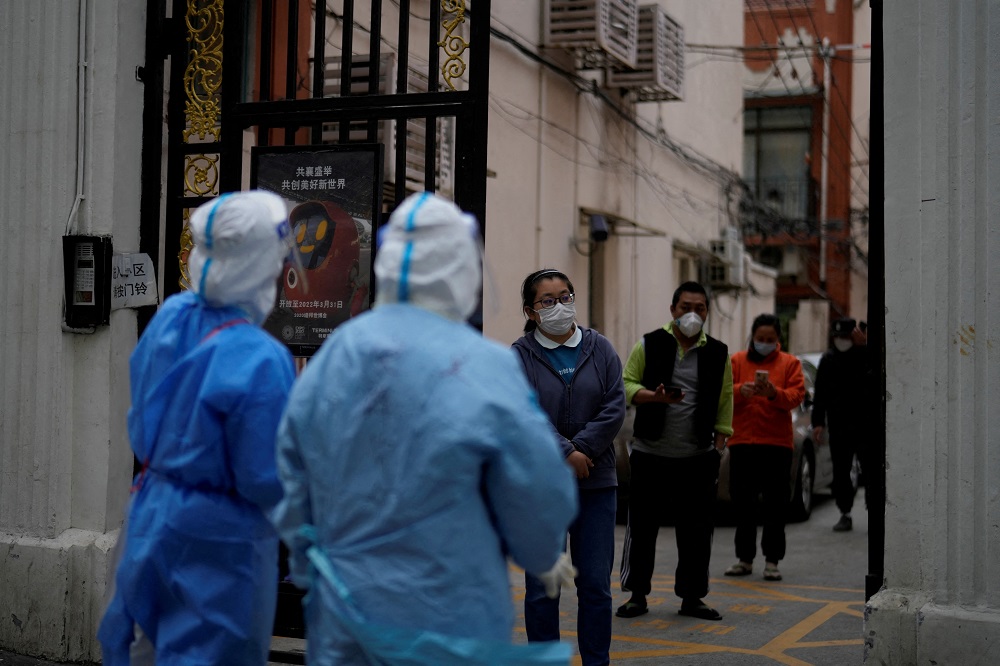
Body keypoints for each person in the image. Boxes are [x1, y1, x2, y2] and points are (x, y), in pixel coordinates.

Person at [270, 192, 579, 665]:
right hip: (451, 612)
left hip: (346, 610)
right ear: (463, 269)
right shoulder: (485, 364)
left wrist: (308, 565)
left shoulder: (339, 353)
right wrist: (539, 553)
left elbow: (291, 470)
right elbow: (538, 487)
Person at [97, 191, 300, 666]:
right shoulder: (263, 359)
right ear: (259, 266)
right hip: (220, 543)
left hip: (151, 514)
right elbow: (266, 479)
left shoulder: (170, 317)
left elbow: (143, 411)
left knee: (144, 650)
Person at [512, 269, 626, 666]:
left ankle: (597, 661)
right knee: (544, 586)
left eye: (565, 296)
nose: (559, 307)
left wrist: (584, 450)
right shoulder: (519, 355)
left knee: (596, 585)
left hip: (596, 483)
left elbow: (615, 407)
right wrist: (565, 452)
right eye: (547, 301)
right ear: (530, 310)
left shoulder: (601, 349)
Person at [616, 281, 734, 622]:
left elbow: (726, 398)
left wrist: (720, 442)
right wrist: (654, 396)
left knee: (696, 532)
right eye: (686, 307)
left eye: (700, 308)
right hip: (650, 453)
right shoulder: (650, 344)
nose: (692, 314)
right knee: (642, 527)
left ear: (707, 313)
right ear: (673, 310)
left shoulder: (718, 352)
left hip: (697, 457)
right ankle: (636, 595)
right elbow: (625, 384)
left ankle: (692, 598)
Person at [723, 314, 805, 582]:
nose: (765, 343)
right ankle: (744, 559)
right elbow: (722, 393)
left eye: (770, 339)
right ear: (752, 337)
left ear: (778, 339)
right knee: (743, 505)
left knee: (775, 506)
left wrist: (773, 393)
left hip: (777, 445)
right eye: (760, 339)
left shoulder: (790, 363)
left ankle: (772, 561)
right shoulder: (736, 361)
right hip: (743, 442)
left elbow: (796, 396)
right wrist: (740, 391)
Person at [812, 316, 871, 532]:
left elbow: (875, 378)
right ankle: (844, 512)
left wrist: (864, 348)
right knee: (841, 471)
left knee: (871, 470)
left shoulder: (865, 356)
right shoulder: (828, 360)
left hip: (865, 425)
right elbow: (820, 394)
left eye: (845, 336)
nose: (841, 341)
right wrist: (818, 422)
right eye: (837, 337)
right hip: (839, 425)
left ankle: (875, 511)